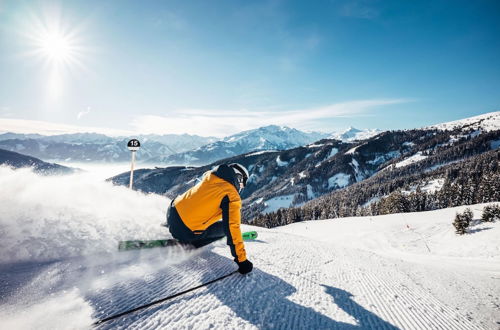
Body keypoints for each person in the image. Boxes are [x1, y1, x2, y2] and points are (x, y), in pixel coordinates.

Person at [165, 163, 253, 275]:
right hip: (183, 231)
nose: (242, 187)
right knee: (224, 230)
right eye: (243, 182)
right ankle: (190, 244)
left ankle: (169, 225)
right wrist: (242, 260)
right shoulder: (231, 195)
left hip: (171, 212)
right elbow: (232, 227)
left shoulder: (210, 177)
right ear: (238, 177)